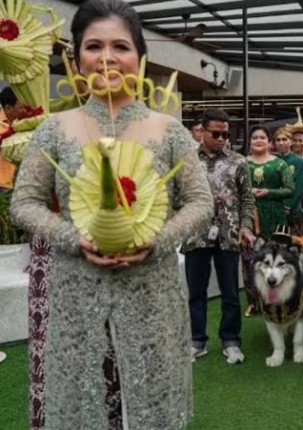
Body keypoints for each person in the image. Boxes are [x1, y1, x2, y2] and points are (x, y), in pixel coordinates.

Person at [10, 0, 214, 428]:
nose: (106, 58)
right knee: (82, 405)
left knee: (151, 406)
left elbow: (200, 202)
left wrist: (156, 240)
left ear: (140, 57)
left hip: (152, 294)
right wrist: (73, 238)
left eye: (120, 46)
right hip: (76, 292)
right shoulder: (56, 127)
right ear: (77, 57)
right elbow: (24, 203)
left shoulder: (168, 129)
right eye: (93, 46)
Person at [180, 108, 256, 364]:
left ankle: (231, 341)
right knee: (196, 293)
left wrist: (246, 227)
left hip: (229, 234)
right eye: (216, 133)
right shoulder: (186, 161)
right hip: (196, 235)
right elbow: (173, 195)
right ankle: (197, 341)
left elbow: (247, 199)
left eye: (226, 133)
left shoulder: (239, 161)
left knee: (231, 293)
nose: (222, 138)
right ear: (201, 131)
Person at [241, 125, 293, 317]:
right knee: (249, 260)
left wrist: (268, 192)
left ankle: (278, 300)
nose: (259, 140)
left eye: (263, 137)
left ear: (269, 142)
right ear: (250, 141)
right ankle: (254, 302)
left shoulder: (279, 164)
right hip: (248, 215)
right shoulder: (242, 163)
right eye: (254, 137)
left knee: (276, 259)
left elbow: (290, 189)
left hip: (275, 217)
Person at [274, 126, 303, 234]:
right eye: (278, 140)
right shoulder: (271, 160)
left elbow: (299, 188)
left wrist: (287, 206)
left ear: (291, 142)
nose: (281, 143)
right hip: (273, 208)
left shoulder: (300, 162)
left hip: (293, 210)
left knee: (293, 244)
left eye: (284, 139)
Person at [0, 87, 27, 190]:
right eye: (20, 108)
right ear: (8, 108)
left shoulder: (24, 121)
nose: (24, 110)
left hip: (21, 183)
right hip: (3, 185)